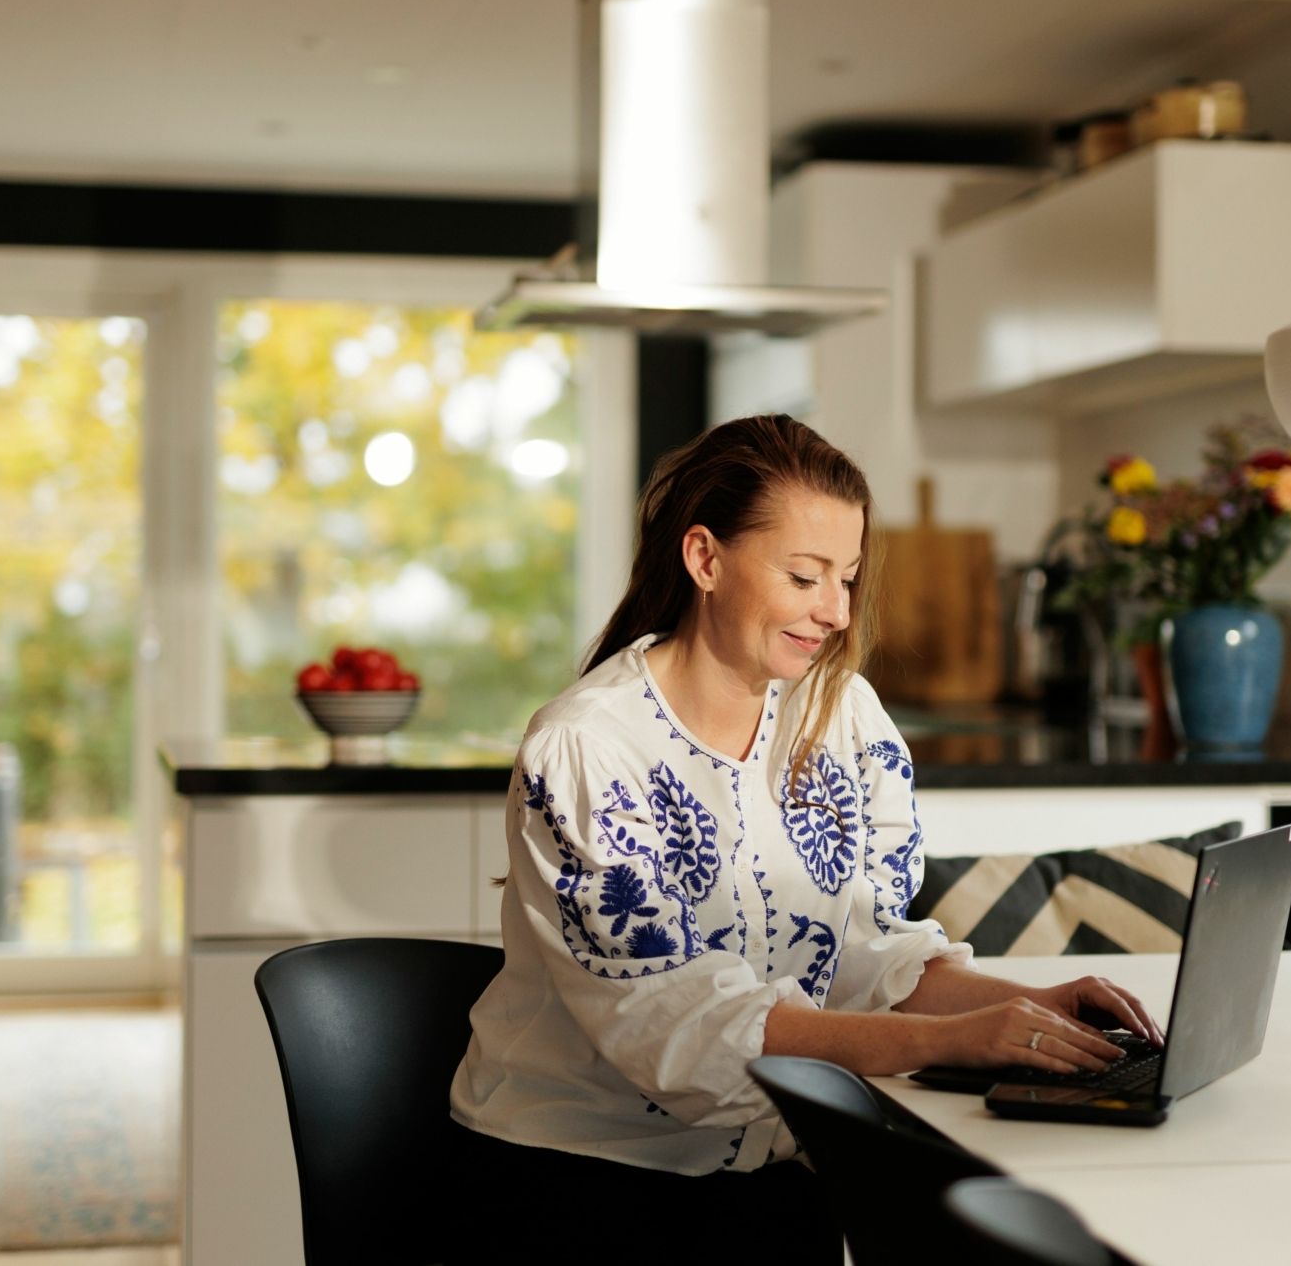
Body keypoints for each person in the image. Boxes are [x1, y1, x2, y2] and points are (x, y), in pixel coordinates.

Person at [447, 414, 1162, 1262]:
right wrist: (944, 1042)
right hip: (583, 1182)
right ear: (705, 558)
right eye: (804, 576)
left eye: (848, 577)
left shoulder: (842, 715)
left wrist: (1030, 1006)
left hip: (774, 1167)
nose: (834, 610)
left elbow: (867, 951)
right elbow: (679, 1032)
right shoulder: (589, 749)